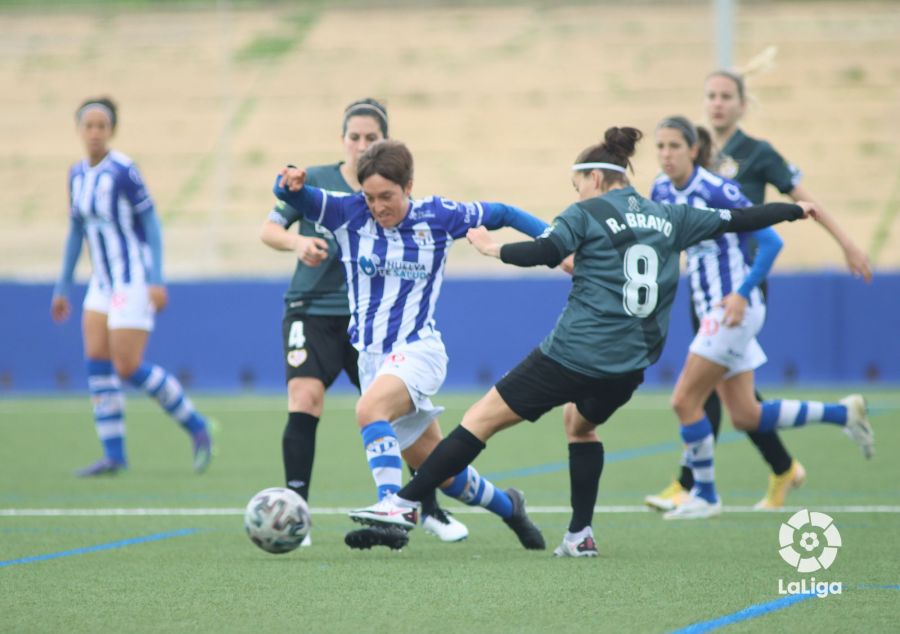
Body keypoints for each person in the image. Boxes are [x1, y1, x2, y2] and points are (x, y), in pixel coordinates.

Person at [348, 126, 821, 557]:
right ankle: (580, 535)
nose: (575, 192)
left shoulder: (587, 213)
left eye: (578, 184)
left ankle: (405, 504)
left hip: (573, 352)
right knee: (580, 426)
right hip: (631, 365)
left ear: (596, 177)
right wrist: (794, 210)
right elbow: (741, 219)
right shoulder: (672, 215)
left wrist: (493, 248)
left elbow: (547, 250)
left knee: (479, 420)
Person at [274, 139, 550, 551]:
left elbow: (504, 213)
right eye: (370, 197)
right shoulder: (347, 212)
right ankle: (511, 507)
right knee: (439, 469)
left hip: (419, 350)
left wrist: (552, 239)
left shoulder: (439, 216)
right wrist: (289, 184)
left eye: (387, 196)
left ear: (409, 186)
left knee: (368, 410)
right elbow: (291, 196)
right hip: (373, 361)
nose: (378, 206)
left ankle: (393, 507)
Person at [647, 70, 873, 511]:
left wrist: (846, 243)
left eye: (726, 96)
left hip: (739, 291)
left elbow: (778, 229)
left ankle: (697, 490)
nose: (716, 103)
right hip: (707, 293)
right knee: (744, 412)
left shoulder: (744, 164)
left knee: (688, 396)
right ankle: (840, 417)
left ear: (742, 103)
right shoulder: (671, 182)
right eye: (710, 95)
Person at [260, 99, 467, 546]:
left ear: (385, 143)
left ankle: (426, 507)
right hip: (311, 307)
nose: (360, 145)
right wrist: (298, 243)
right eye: (354, 136)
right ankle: (297, 509)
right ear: (342, 140)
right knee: (305, 397)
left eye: (370, 137)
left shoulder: (386, 185)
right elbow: (269, 228)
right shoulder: (317, 181)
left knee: (401, 419)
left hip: (372, 326)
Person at [51, 97, 212, 476]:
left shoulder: (124, 172)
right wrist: (62, 286)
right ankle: (114, 454)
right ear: (79, 130)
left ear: (111, 131)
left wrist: (157, 278)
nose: (94, 132)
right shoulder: (76, 174)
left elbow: (152, 225)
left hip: (133, 277)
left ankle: (196, 425)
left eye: (101, 126)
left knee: (127, 365)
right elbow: (77, 231)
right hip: (101, 282)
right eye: (88, 126)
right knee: (97, 362)